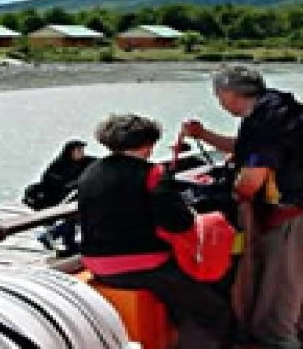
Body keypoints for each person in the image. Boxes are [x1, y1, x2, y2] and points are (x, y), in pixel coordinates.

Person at [182, 65, 303, 349]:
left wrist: (227, 194)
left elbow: (251, 179)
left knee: (281, 299)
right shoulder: (283, 108)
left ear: (229, 94)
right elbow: (246, 148)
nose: (220, 102)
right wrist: (204, 135)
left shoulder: (266, 123)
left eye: (219, 96)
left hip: (296, 216)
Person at [78, 114, 231, 349]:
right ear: (148, 143)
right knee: (211, 310)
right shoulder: (153, 173)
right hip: (142, 264)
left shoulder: (90, 172)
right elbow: (177, 223)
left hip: (95, 263)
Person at [34, 140, 96, 257]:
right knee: (75, 217)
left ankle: (68, 243)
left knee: (76, 218)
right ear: (70, 152)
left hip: (76, 198)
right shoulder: (58, 165)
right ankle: (51, 236)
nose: (81, 153)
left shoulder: (87, 161)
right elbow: (50, 182)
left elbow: (99, 165)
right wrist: (72, 184)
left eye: (82, 150)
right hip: (58, 200)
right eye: (78, 151)